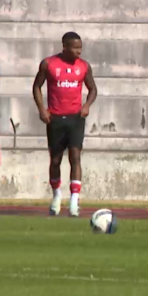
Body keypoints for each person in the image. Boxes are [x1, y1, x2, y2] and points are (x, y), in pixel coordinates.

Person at [32, 32, 97, 217]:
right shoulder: (49, 64)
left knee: (75, 157)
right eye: (75, 48)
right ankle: (56, 196)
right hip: (55, 119)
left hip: (76, 118)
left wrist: (87, 105)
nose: (79, 51)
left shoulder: (83, 66)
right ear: (65, 47)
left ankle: (75, 201)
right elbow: (37, 86)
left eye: (80, 48)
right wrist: (42, 109)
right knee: (55, 159)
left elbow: (93, 88)